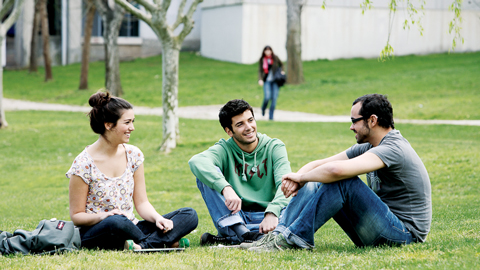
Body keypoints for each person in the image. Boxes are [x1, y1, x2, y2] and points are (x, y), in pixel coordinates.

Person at [244, 94, 432, 252]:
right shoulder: (369, 146)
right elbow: (322, 164)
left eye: (354, 121)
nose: (351, 127)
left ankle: (294, 238)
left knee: (342, 180)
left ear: (372, 120)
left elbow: (336, 170)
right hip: (383, 229)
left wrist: (301, 178)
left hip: (405, 236)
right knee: (316, 178)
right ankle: (277, 237)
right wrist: (299, 179)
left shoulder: (393, 147)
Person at [66, 92, 198, 251]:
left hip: (131, 227)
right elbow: (77, 216)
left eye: (132, 122)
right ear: (108, 125)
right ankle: (162, 242)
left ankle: (142, 246)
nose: (132, 128)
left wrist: (158, 218)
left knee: (189, 215)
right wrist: (105, 216)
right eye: (127, 122)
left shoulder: (133, 155)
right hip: (100, 229)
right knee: (117, 221)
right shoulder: (83, 164)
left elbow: (142, 203)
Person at [188, 99, 292, 245]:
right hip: (237, 216)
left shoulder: (274, 147)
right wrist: (226, 188)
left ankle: (231, 238)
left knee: (298, 199)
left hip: (269, 218)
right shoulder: (224, 149)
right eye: (240, 124)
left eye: (250, 120)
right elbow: (196, 162)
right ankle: (243, 234)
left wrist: (272, 212)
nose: (249, 127)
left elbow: (285, 183)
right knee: (205, 176)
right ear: (229, 131)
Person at [258, 45, 284, 121]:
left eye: (269, 50)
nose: (268, 52)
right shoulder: (262, 59)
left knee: (274, 98)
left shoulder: (275, 58)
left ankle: (271, 116)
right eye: (266, 50)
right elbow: (260, 70)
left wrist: (282, 71)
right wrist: (260, 79)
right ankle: (263, 108)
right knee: (267, 97)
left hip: (275, 81)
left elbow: (282, 64)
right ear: (264, 51)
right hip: (267, 81)